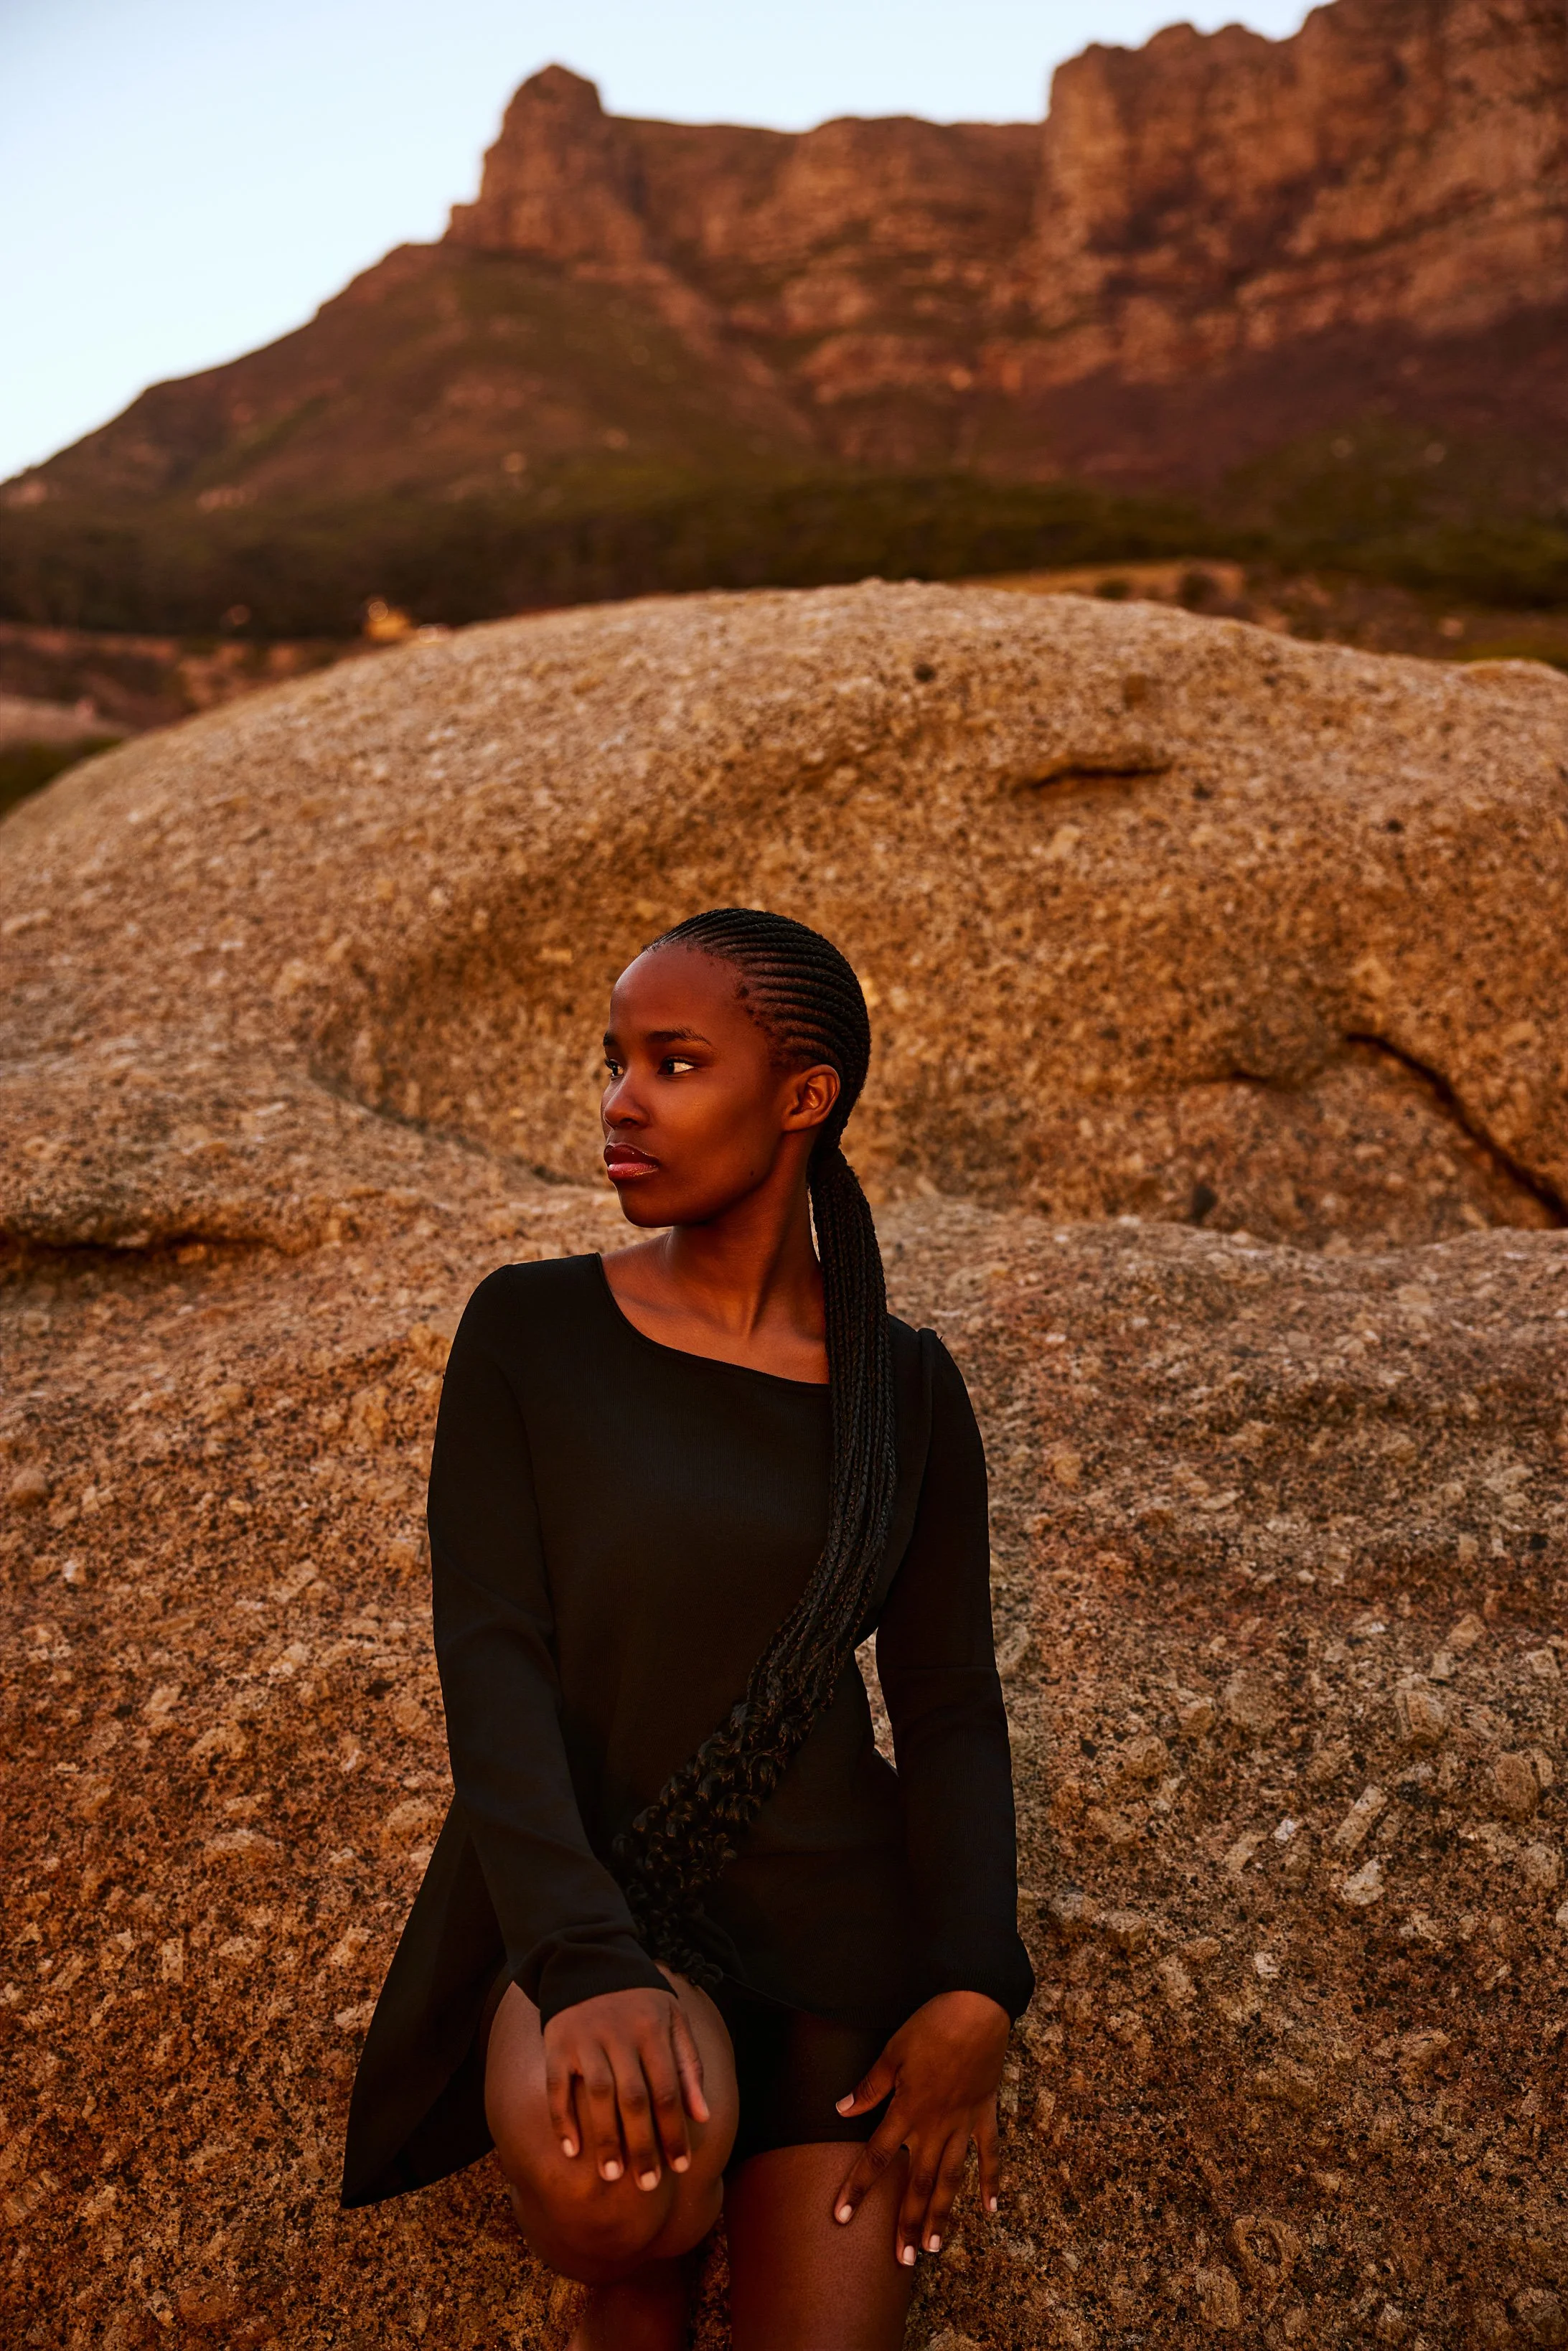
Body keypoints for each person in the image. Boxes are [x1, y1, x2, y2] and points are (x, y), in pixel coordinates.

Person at [341, 908, 1033, 2350]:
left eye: (673, 1061)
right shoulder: (530, 1333)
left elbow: (951, 1709)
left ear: (803, 1098)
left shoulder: (903, 1387)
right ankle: (649, 2266)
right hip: (617, 1909)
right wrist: (581, 1965)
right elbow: (496, 1664)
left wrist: (974, 1987)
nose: (621, 1103)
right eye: (614, 1062)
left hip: (841, 1951)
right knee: (618, 2193)